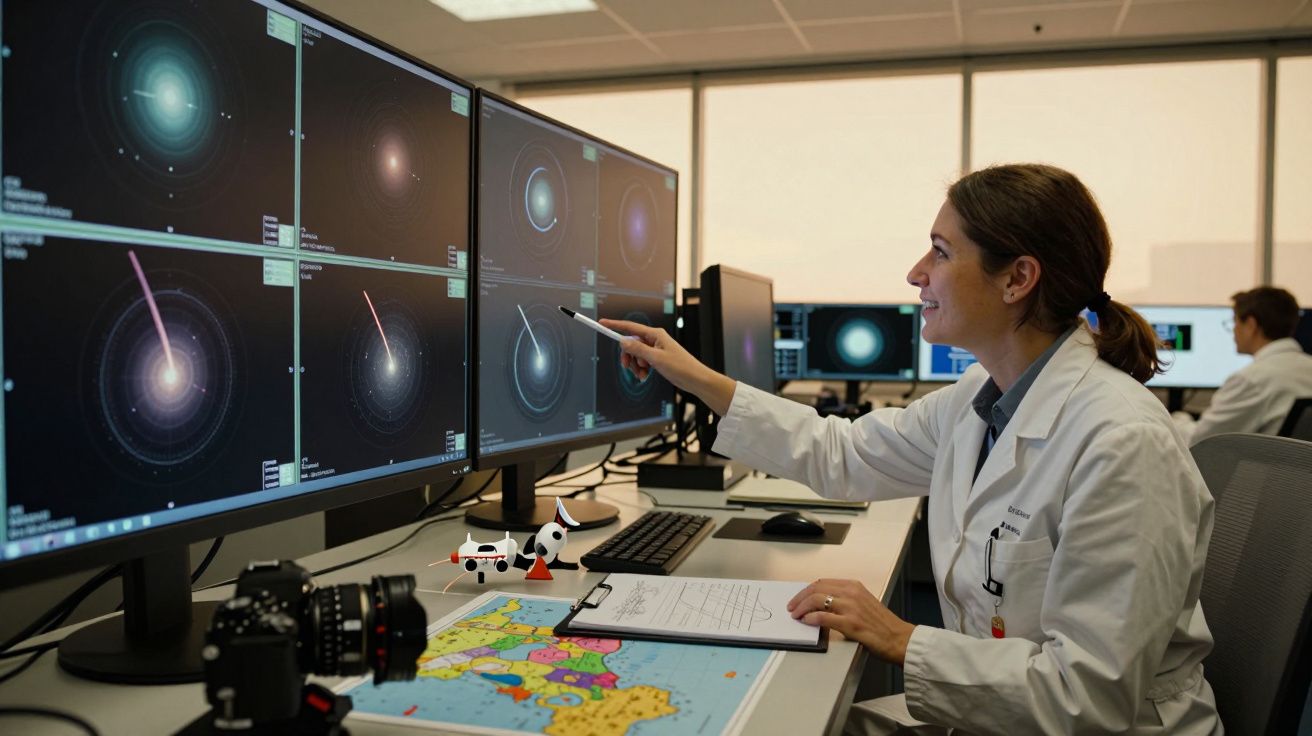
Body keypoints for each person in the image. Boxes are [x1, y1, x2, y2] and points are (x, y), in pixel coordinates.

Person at [602, 163, 1222, 735]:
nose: (916, 272)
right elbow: (842, 452)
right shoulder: (981, 398)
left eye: (942, 252)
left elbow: (1090, 697)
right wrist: (695, 375)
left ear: (1018, 279)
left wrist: (901, 639)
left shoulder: (1122, 444)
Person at [1174, 286, 1312, 445]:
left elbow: (1201, 441)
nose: (1233, 330)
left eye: (1235, 322)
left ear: (1251, 325)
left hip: (1262, 468)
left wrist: (1177, 420)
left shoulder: (1251, 380)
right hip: (1295, 468)